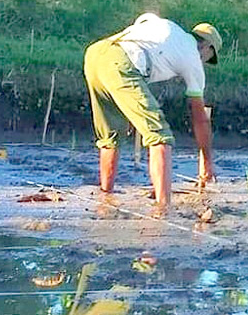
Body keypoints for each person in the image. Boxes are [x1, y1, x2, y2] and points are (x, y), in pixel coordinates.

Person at [83, 13, 220, 208]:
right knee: (160, 136)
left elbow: (142, 23)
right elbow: (200, 118)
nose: (204, 62)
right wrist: (207, 162)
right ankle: (163, 209)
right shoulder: (192, 57)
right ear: (206, 47)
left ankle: (106, 196)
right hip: (123, 63)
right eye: (209, 58)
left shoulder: (167, 27)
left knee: (110, 135)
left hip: (97, 53)